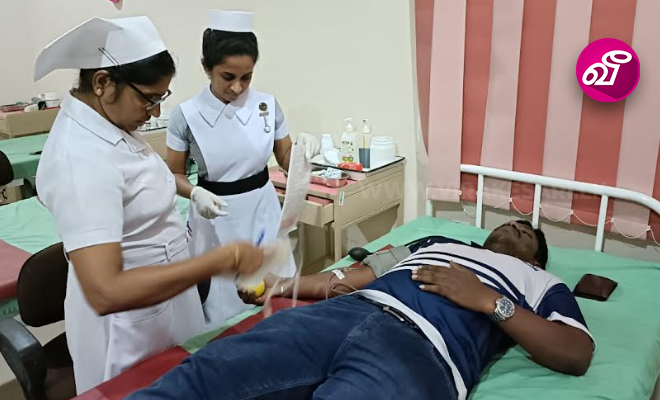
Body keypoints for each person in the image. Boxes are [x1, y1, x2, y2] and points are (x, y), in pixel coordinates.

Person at [34, 16, 264, 393]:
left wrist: (194, 197)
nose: (155, 112)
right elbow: (105, 291)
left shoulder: (112, 125)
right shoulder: (79, 159)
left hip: (164, 302)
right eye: (149, 98)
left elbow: (143, 188)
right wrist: (215, 262)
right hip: (128, 326)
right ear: (103, 83)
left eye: (161, 99)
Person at [125, 220, 594, 400]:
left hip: (422, 352)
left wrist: (488, 300)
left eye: (526, 233)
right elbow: (351, 279)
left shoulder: (539, 282)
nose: (514, 226)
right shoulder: (434, 241)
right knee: (210, 370)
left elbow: (575, 353)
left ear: (535, 258)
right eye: (510, 222)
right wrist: (279, 286)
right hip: (342, 315)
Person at [165, 9, 320, 327]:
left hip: (263, 210)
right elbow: (174, 174)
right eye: (227, 77)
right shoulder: (187, 116)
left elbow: (285, 155)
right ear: (206, 67)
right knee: (224, 309)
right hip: (215, 217)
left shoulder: (266, 106)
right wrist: (195, 194)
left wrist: (303, 153)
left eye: (246, 77)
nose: (237, 87)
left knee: (276, 294)